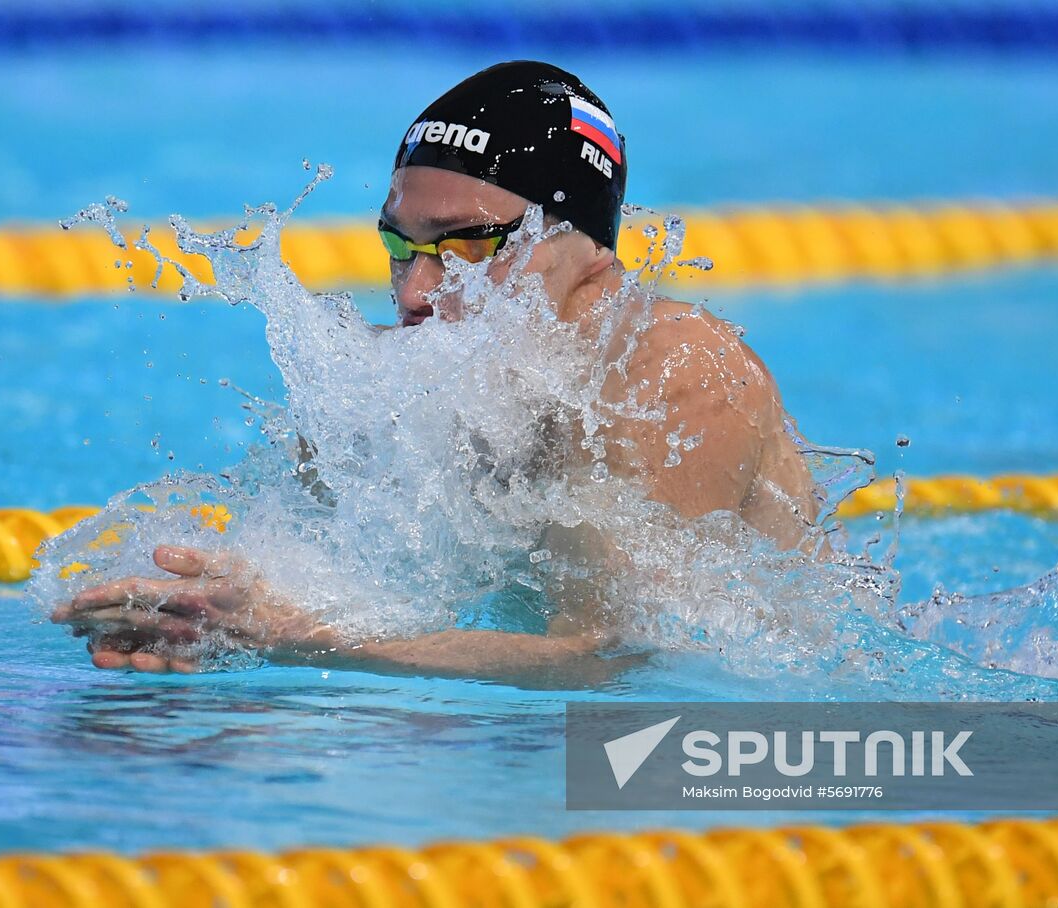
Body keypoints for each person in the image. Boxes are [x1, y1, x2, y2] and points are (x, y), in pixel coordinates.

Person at [51, 61, 818, 681]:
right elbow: (318, 577)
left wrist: (295, 638)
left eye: (464, 249)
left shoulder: (672, 373)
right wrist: (200, 616)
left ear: (573, 236)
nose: (415, 294)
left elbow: (615, 660)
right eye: (401, 249)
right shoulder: (409, 382)